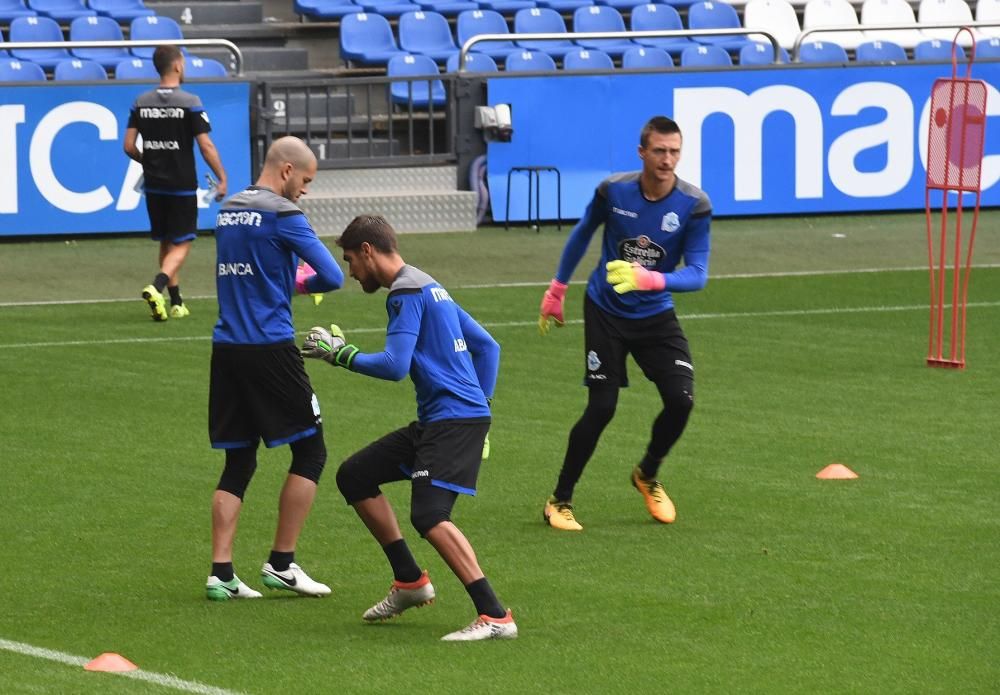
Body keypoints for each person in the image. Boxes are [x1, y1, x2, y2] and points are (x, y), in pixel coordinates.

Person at [301, 215, 516, 641]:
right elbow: (488, 347)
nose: (350, 272)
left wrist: (339, 354)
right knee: (355, 475)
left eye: (349, 261)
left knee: (430, 515)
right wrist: (482, 411)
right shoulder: (431, 284)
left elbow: (395, 366)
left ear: (367, 250)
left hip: (452, 420)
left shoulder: (405, 291)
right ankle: (409, 581)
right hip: (449, 418)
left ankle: (495, 615)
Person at [537, 115, 711, 532]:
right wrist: (557, 289)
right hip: (605, 312)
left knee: (681, 399)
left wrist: (653, 280)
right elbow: (582, 233)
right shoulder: (613, 191)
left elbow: (699, 272)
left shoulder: (694, 205)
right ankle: (559, 500)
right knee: (602, 407)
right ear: (642, 152)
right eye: (659, 151)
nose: (667, 160)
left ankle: (646, 474)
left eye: (674, 151)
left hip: (655, 315)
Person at [206, 136, 344, 601]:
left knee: (239, 459)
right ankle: (281, 563)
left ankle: (221, 573)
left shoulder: (228, 208)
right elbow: (332, 275)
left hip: (227, 348)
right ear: (286, 170)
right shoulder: (284, 214)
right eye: (305, 180)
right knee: (312, 452)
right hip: (270, 347)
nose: (305, 190)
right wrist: (297, 284)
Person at [123, 44, 227, 322]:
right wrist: (222, 177)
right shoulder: (190, 101)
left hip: (154, 184)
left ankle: (176, 301)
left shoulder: (141, 101)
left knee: (167, 241)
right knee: (183, 241)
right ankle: (157, 286)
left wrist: (149, 160)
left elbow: (129, 146)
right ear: (178, 65)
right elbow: (206, 146)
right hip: (181, 182)